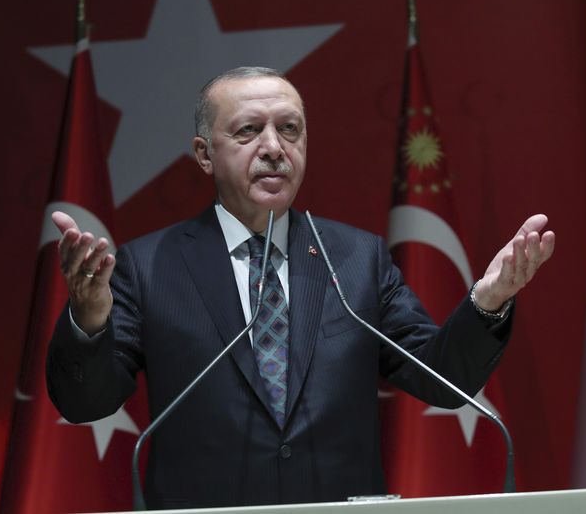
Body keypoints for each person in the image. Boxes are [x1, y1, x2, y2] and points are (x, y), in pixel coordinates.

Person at [46, 67, 555, 509]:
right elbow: (85, 403)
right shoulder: (150, 265)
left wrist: (488, 302)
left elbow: (441, 380)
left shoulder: (357, 259)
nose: (274, 148)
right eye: (249, 131)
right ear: (204, 154)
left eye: (289, 129)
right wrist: (88, 319)